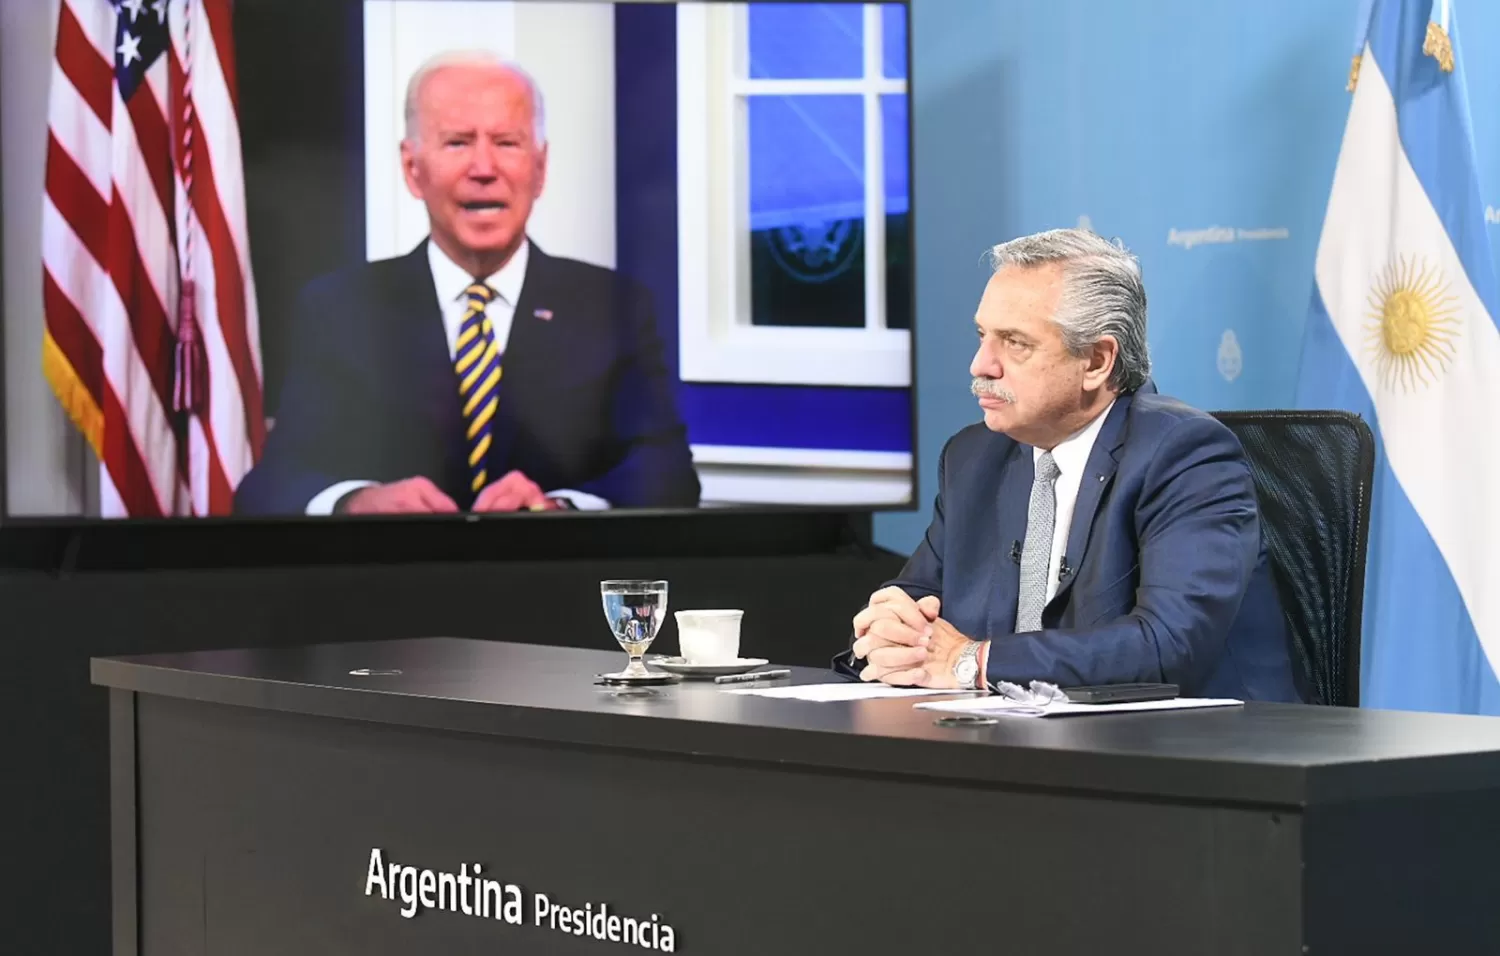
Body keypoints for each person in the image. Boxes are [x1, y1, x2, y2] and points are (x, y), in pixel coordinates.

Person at [839, 228, 1305, 701]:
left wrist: (972, 662)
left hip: (1196, 753)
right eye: (982, 336)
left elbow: (1168, 645)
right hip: (1017, 744)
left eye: (1015, 343)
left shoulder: (1185, 456)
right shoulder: (974, 458)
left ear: (1097, 361)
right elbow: (918, 602)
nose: (981, 365)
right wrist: (887, 635)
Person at [234, 51, 699, 516]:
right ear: (413, 169)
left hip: (550, 583)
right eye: (457, 143)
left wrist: (559, 509)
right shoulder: (341, 309)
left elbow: (668, 472)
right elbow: (272, 484)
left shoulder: (613, 307)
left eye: (507, 143)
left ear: (540, 168)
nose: (483, 168)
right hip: (399, 584)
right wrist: (357, 501)